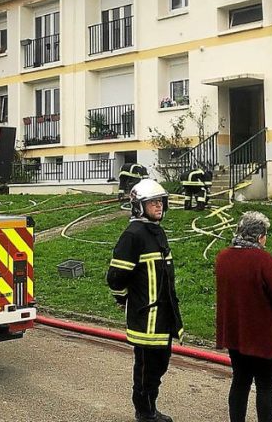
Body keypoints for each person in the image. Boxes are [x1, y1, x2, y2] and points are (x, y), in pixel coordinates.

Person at [107, 178, 184, 422]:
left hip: (163, 316)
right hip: (146, 318)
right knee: (146, 368)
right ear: (139, 206)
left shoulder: (156, 231)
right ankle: (144, 412)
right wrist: (124, 301)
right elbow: (116, 278)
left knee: (159, 365)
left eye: (161, 201)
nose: (159, 206)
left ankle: (151, 407)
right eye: (152, 203)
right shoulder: (133, 235)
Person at [214, 211, 272, 422]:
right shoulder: (263, 260)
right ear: (260, 236)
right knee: (266, 387)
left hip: (236, 333)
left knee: (240, 381)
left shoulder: (223, 258)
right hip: (264, 336)